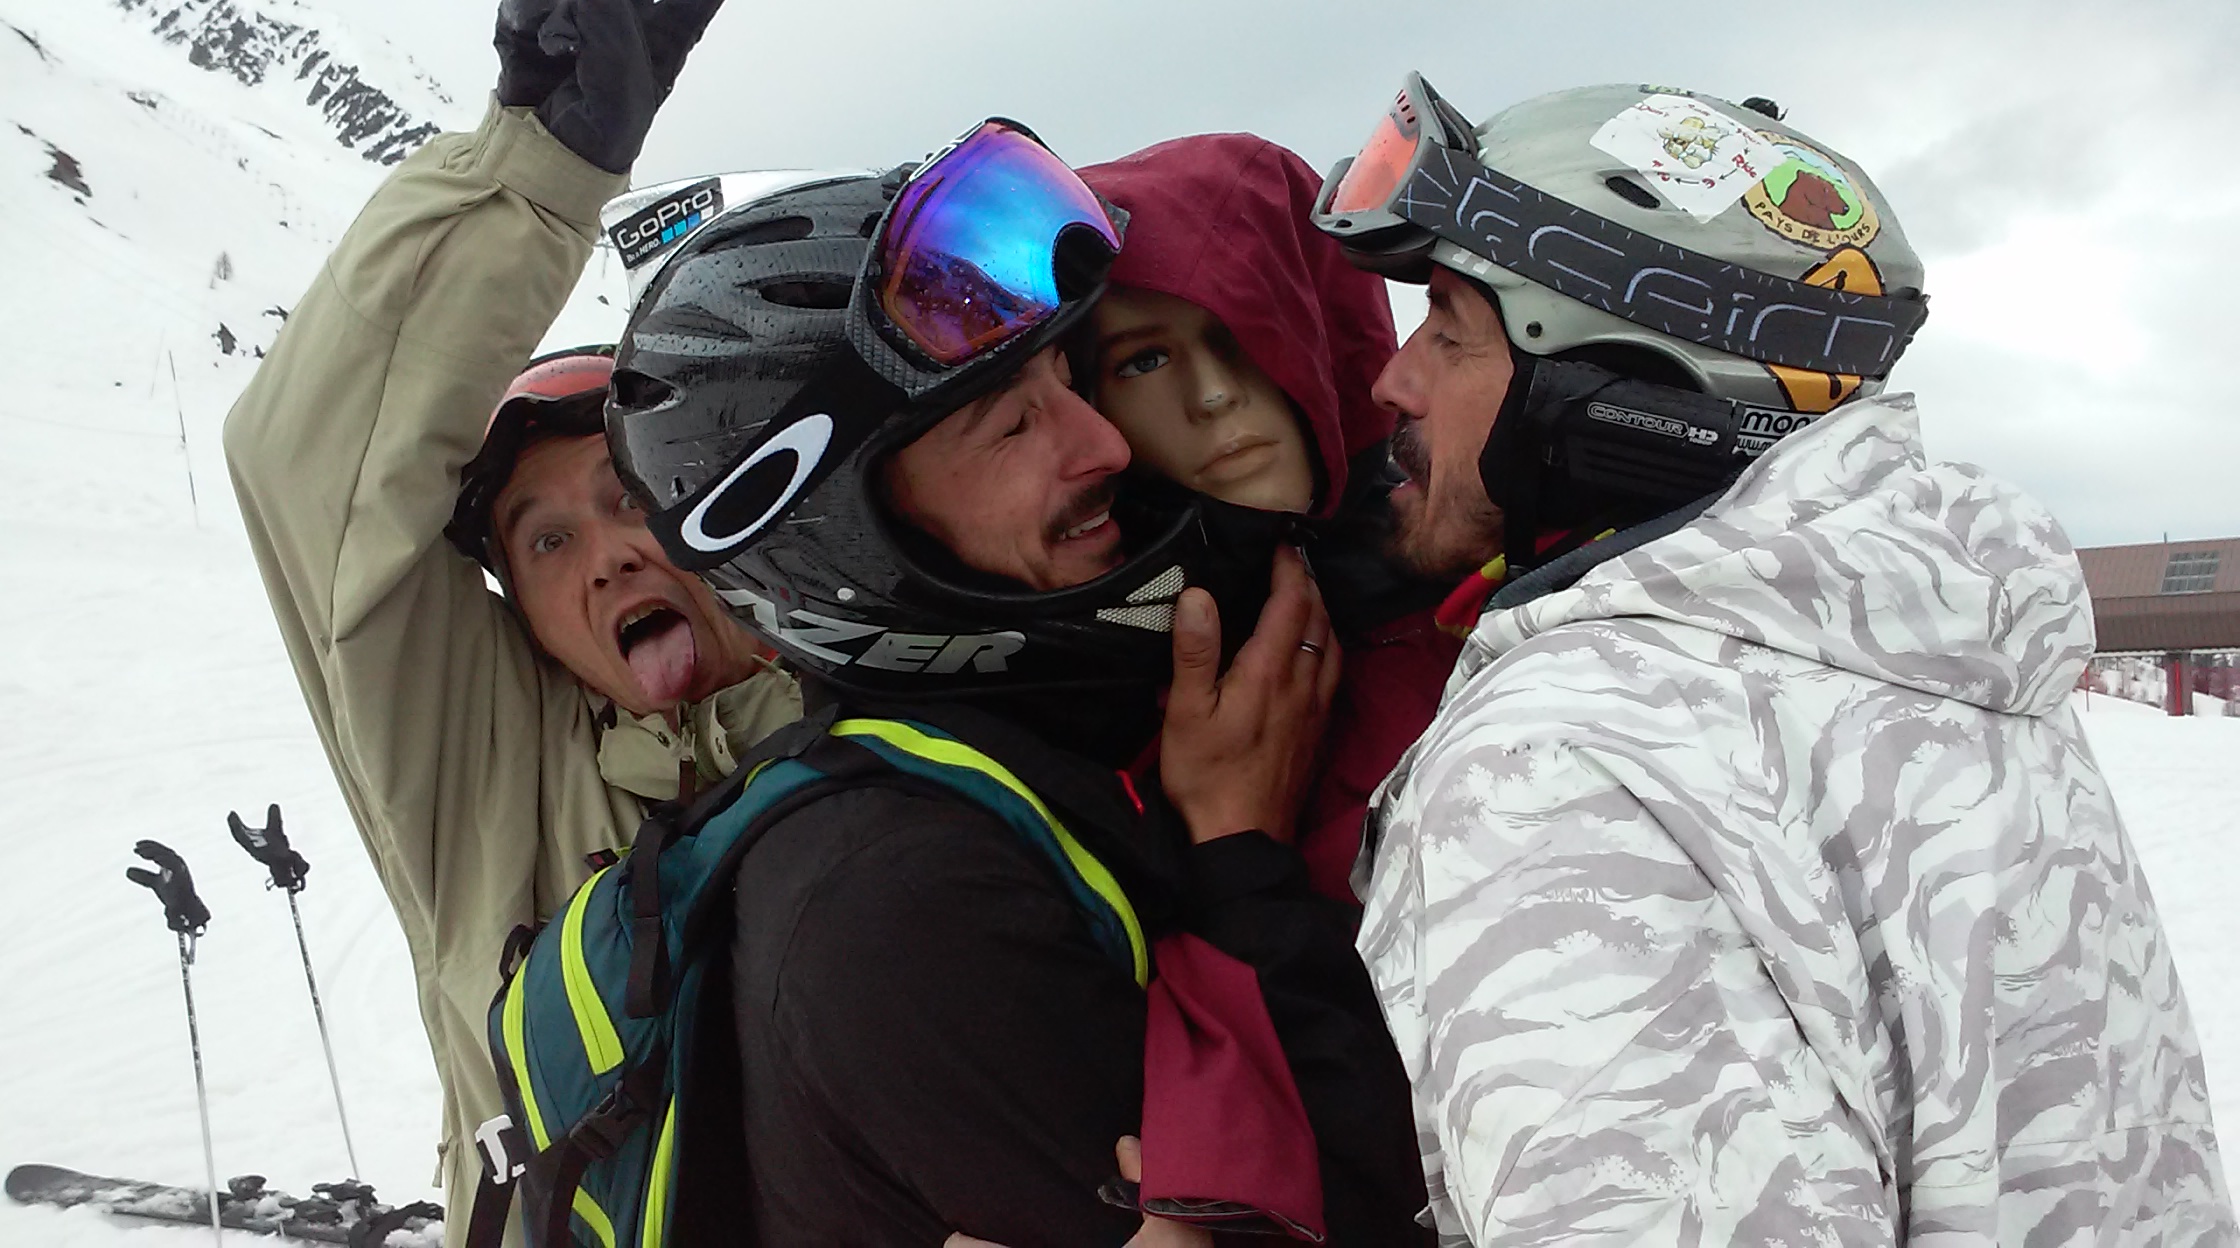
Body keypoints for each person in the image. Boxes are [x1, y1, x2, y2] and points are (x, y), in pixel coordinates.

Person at [1313, 77, 2238, 1243]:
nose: (1394, 381)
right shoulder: (1958, 655)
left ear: (1611, 392)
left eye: (1448, 329)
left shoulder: (1560, 759)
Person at [607, 121, 1430, 1246]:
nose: (1104, 445)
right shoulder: (907, 907)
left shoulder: (1032, 758)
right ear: (849, 542)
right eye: (1010, 425)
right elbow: (1351, 1215)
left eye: (1069, 377)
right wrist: (1241, 860)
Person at [221, 0, 798, 1234]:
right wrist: (540, 177)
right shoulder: (487, 763)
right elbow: (308, 470)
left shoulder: (857, 668)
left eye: (622, 497)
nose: (605, 556)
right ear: (514, 609)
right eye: (546, 543)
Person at [1078, 134, 1459, 907]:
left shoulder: (1494, 591)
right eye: (1142, 362)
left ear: (1321, 322)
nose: (1214, 394)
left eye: (1252, 335)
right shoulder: (1090, 681)